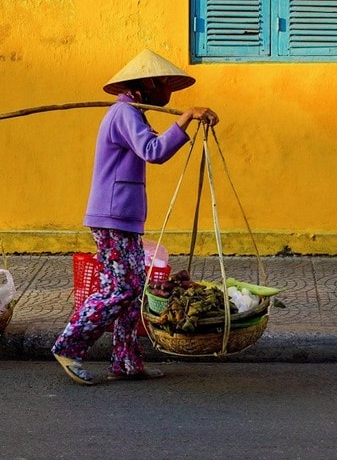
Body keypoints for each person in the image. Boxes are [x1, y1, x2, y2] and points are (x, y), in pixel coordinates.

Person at [52, 49, 218, 385]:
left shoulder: (134, 114)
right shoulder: (125, 113)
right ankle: (69, 345)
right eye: (163, 84)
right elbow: (153, 152)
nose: (167, 93)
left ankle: (126, 362)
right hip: (112, 215)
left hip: (123, 216)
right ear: (147, 83)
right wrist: (184, 119)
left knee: (131, 289)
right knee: (121, 288)